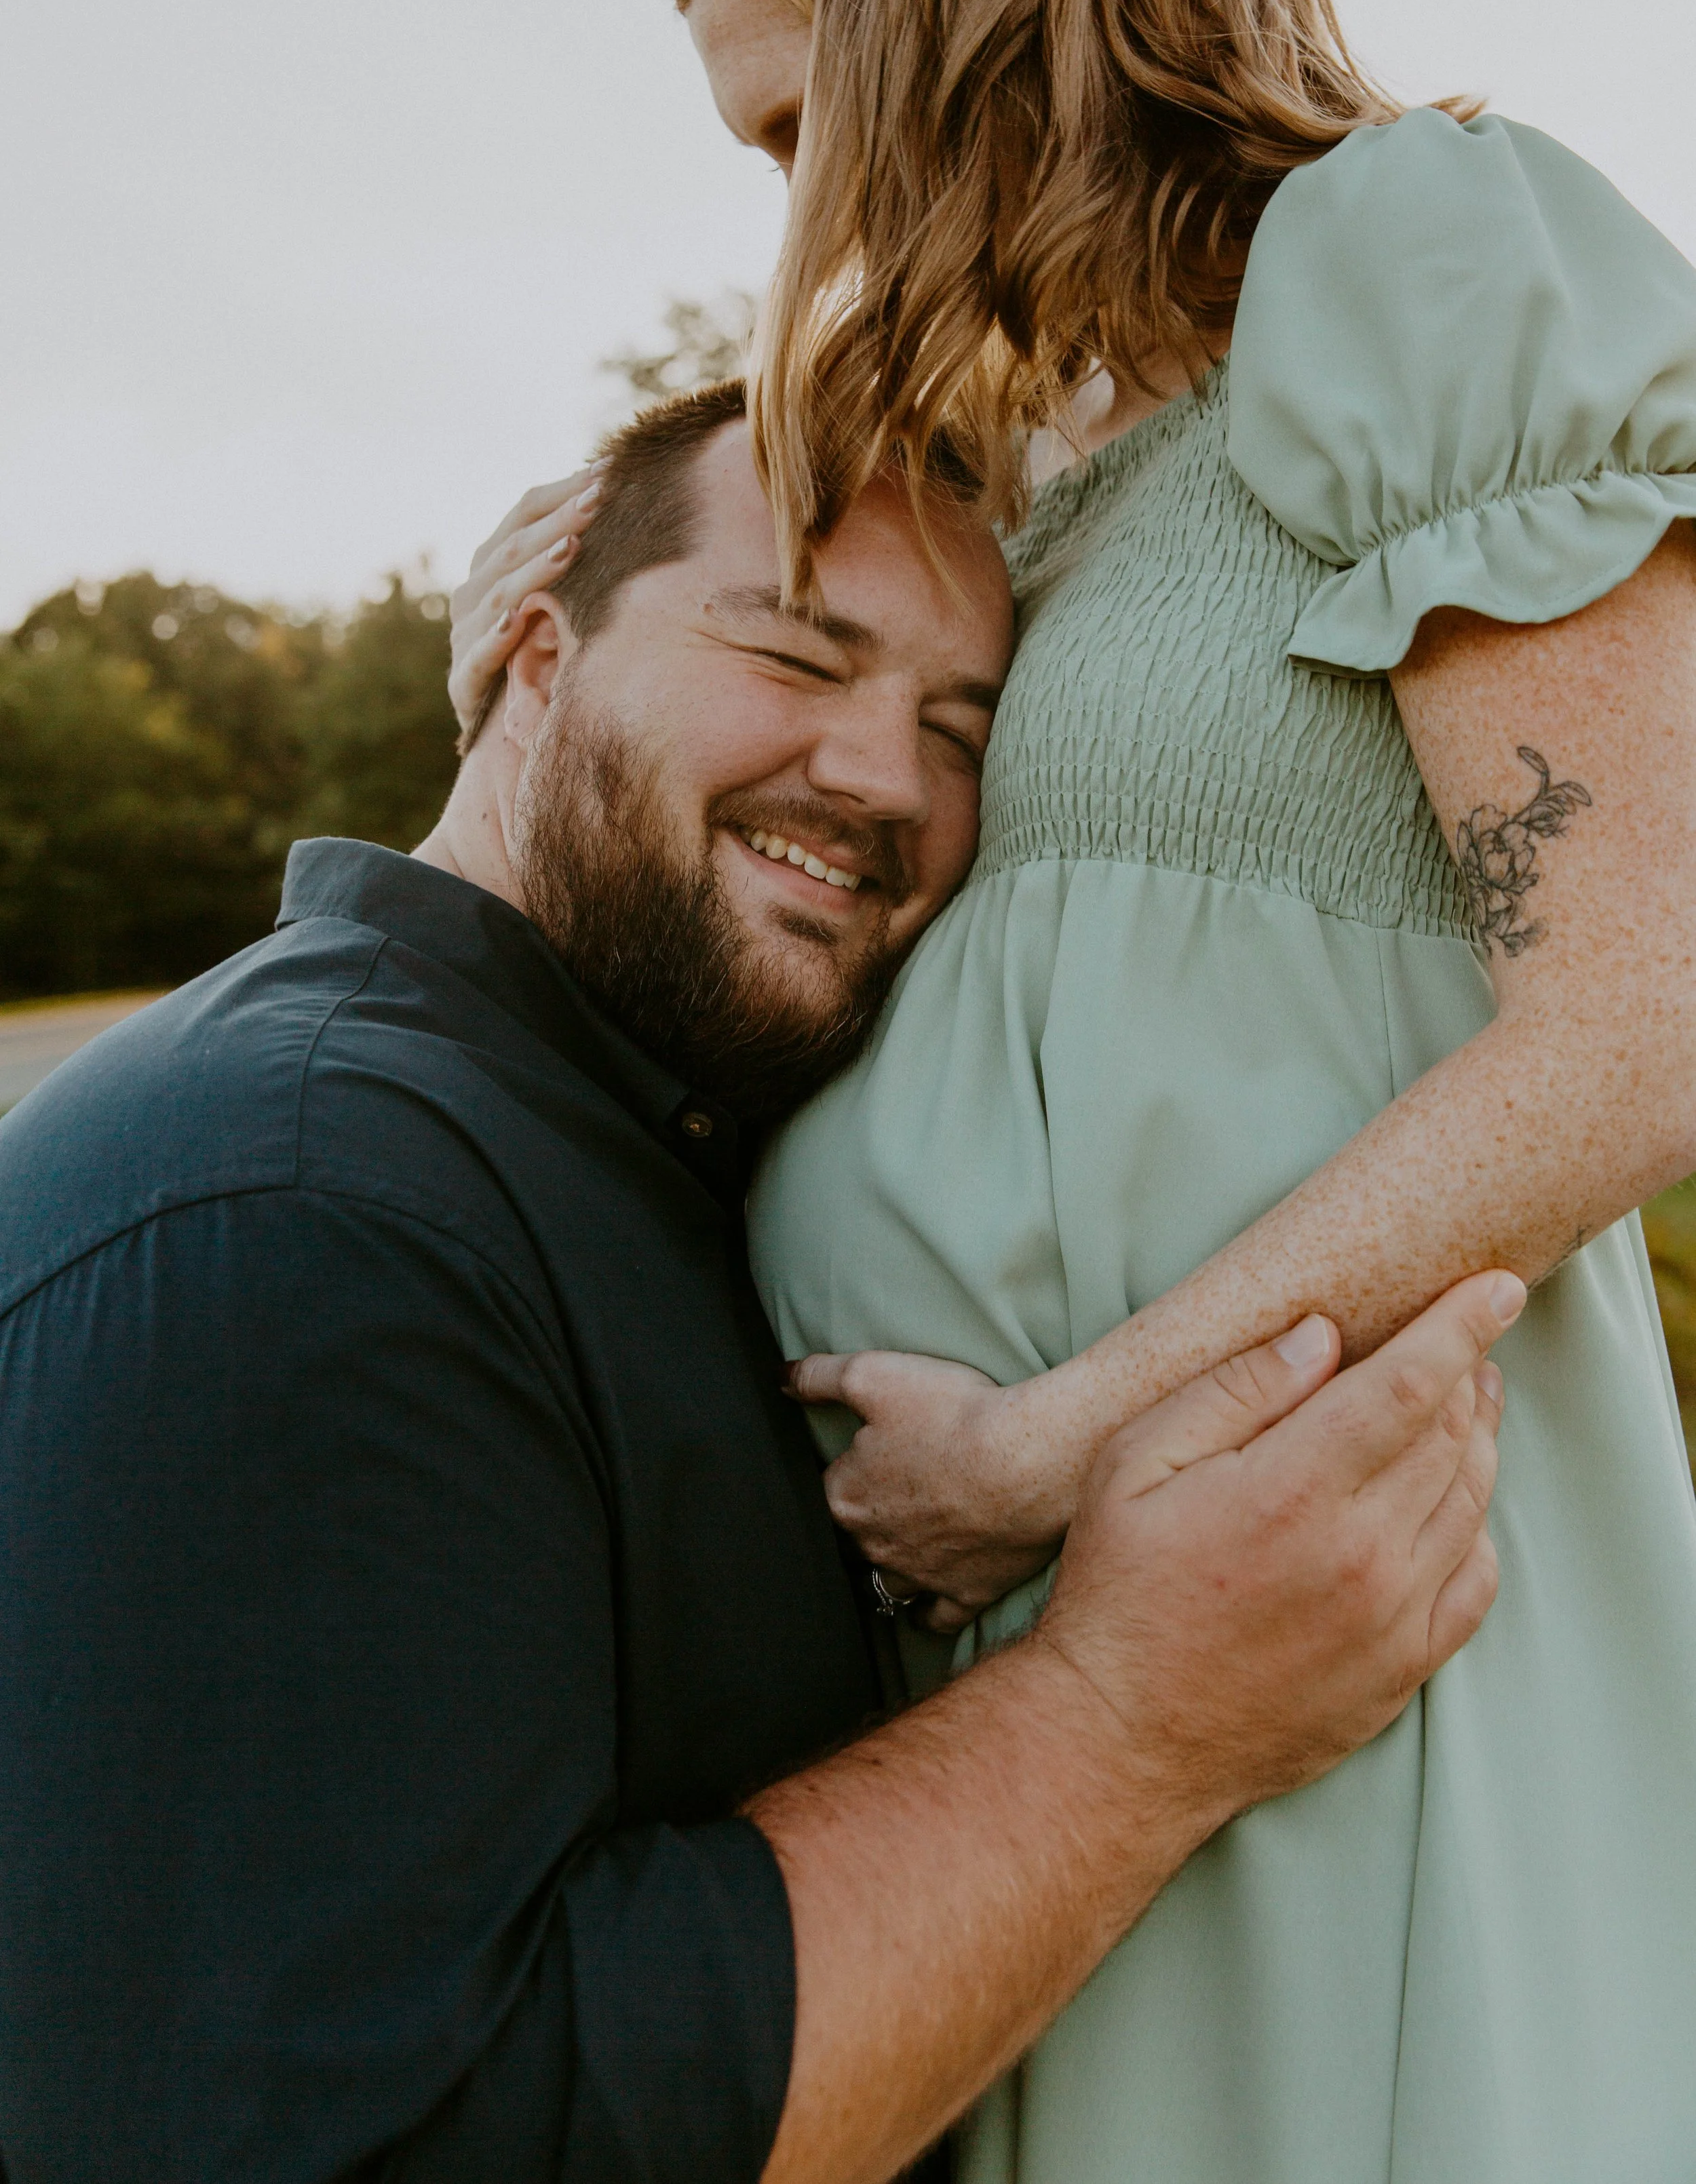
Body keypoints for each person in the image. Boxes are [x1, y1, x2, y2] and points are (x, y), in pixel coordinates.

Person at [454, 0, 1696, 2178]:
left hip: (1344, 1662)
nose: (792, 212)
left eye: (805, 115)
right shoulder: (1020, 483)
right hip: (1018, 1727)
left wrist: (1046, 1447)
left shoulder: (1407, 258)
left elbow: (1647, 1010)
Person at [0, 381, 1509, 2184]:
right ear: (537, 660)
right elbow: (406, 2139)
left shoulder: (616, 1143)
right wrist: (1138, 1719)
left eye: (960, 728)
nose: (887, 780)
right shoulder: (305, 1205)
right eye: (795, 653)